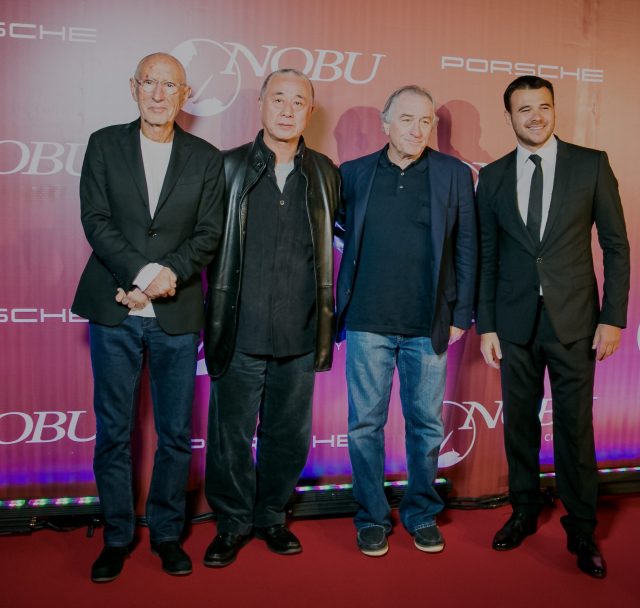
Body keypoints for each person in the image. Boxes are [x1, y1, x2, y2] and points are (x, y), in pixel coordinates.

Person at [72, 52, 224, 582]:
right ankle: (117, 536)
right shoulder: (103, 144)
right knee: (114, 431)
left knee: (176, 434)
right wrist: (141, 275)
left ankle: (166, 534)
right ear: (133, 87)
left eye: (170, 85)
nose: (159, 94)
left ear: (185, 94)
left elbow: (209, 232)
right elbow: (95, 219)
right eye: (149, 83)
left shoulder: (206, 158)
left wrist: (165, 277)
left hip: (176, 313)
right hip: (114, 306)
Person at [476, 75, 630, 579]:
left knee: (575, 427)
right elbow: (487, 256)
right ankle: (523, 508)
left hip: (576, 321)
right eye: (524, 109)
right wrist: (487, 325)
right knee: (519, 423)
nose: (535, 116)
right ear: (509, 117)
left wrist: (612, 318)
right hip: (514, 323)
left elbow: (616, 246)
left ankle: (581, 525)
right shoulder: (493, 177)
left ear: (554, 109)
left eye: (543, 106)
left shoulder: (591, 164)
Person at [203, 68, 340, 567]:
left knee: (287, 437)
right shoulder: (227, 167)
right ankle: (232, 523)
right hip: (239, 331)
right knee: (231, 438)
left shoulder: (325, 173)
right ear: (260, 104)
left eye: (298, 102)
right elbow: (200, 242)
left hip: (300, 332)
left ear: (310, 111)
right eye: (278, 99)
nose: (287, 110)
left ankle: (271, 517)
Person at [335, 85, 477, 557]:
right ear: (385, 123)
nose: (417, 130)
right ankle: (371, 516)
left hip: (428, 324)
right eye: (407, 119)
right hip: (366, 321)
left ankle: (421, 512)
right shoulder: (353, 174)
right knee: (364, 426)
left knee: (426, 426)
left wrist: (461, 314)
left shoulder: (453, 174)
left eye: (426, 121)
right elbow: (335, 235)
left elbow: (467, 247)